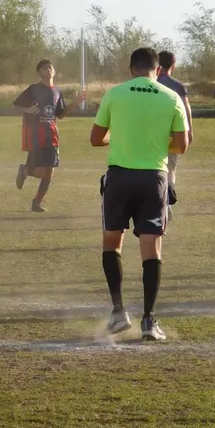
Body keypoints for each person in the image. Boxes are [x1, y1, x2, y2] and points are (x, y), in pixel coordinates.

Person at [90, 47, 189, 342]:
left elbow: (96, 139)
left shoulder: (115, 94)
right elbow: (182, 145)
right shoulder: (171, 97)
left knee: (112, 242)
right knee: (151, 248)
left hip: (119, 177)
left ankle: (119, 312)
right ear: (158, 70)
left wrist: (118, 137)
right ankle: (149, 320)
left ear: (130, 68)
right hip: (154, 179)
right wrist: (157, 146)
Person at [13, 59, 85, 212]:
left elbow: (60, 115)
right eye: (44, 68)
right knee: (39, 172)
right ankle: (24, 170)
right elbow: (17, 105)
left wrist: (75, 103)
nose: (48, 70)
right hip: (36, 134)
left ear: (54, 71)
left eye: (50, 67)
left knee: (50, 171)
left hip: (52, 135)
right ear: (39, 73)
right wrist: (28, 110)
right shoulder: (33, 89)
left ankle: (36, 203)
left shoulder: (57, 91)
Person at [156, 50, 194, 221]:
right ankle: (167, 201)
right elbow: (186, 109)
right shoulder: (177, 85)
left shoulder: (150, 81)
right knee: (171, 168)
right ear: (174, 65)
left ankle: (158, 201)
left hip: (152, 131)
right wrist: (189, 131)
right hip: (173, 132)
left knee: (153, 166)